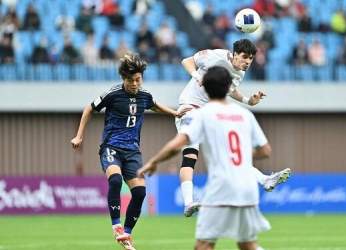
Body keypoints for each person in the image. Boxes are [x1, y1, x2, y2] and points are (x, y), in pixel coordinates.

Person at [138, 66, 273, 250]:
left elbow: (176, 145)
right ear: (228, 88)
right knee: (247, 244)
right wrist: (238, 157)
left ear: (206, 89)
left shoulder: (203, 115)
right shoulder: (245, 115)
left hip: (222, 187)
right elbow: (265, 151)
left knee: (203, 245)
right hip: (248, 188)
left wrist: (153, 161)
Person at [71, 53, 188, 250]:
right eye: (130, 80)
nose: (134, 84)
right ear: (123, 79)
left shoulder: (144, 95)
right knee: (115, 180)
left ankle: (127, 234)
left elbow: (154, 105)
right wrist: (79, 136)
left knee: (140, 192)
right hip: (111, 147)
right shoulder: (112, 94)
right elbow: (88, 109)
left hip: (133, 151)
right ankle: (116, 225)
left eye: (138, 80)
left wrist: (175, 112)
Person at [176, 38, 291, 216]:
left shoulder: (240, 73)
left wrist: (248, 101)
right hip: (189, 106)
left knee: (229, 154)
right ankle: (189, 202)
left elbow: (230, 90)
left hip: (209, 113)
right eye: (244, 57)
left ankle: (264, 179)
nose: (247, 62)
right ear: (234, 54)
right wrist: (197, 75)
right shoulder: (215, 57)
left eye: (251, 58)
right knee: (191, 154)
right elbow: (187, 61)